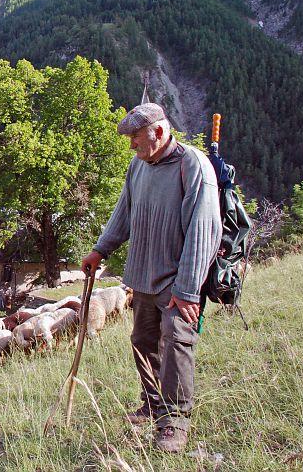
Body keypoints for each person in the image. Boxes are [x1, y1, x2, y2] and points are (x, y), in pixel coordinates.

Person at [81, 103, 222, 453]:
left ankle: (174, 422)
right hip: (143, 276)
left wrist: (188, 290)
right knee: (143, 342)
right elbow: (124, 211)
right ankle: (152, 402)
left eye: (135, 138)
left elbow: (205, 230)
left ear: (158, 133)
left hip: (177, 281)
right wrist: (101, 249)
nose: (131, 146)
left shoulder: (193, 166)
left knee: (176, 343)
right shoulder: (139, 166)